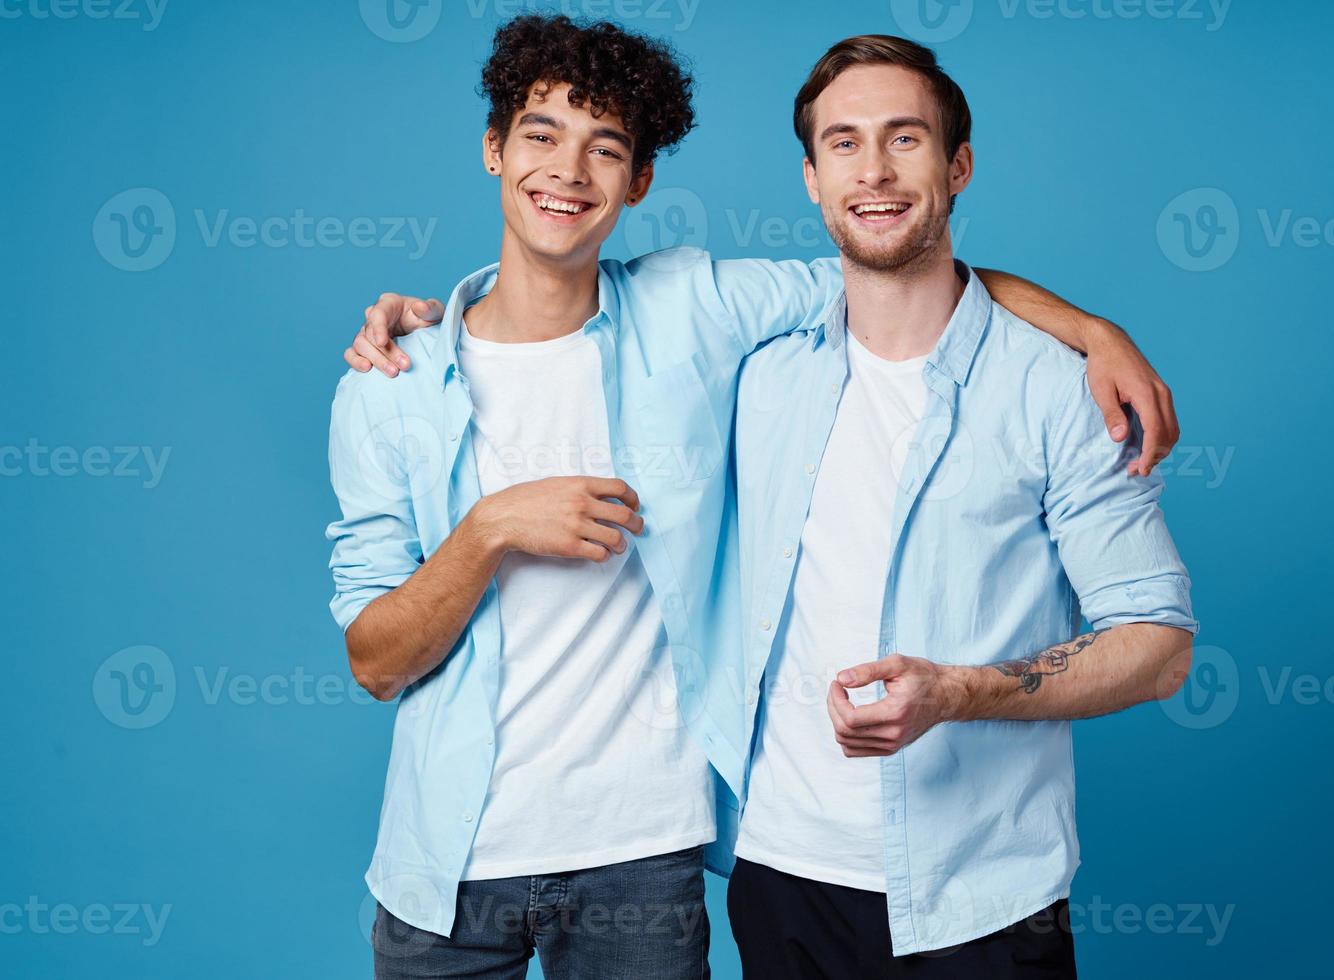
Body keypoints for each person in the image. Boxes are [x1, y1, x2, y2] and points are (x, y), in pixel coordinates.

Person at [334, 15, 1182, 980]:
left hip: (661, 861)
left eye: (604, 147)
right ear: (494, 149)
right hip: (480, 866)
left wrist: (1092, 330)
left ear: (639, 180)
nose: (567, 171)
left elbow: (897, 260)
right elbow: (372, 661)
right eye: (539, 135)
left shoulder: (697, 313)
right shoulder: (395, 384)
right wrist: (488, 529)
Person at [721, 36, 1197, 978]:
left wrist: (958, 692)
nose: (876, 170)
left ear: (958, 166)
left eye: (906, 139)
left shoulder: (1061, 390)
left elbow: (1159, 643)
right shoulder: (754, 368)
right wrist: (435, 317)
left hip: (985, 896)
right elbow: (575, 310)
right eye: (846, 144)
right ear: (811, 178)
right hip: (779, 877)